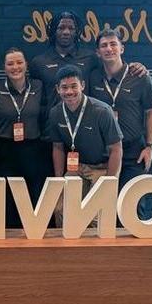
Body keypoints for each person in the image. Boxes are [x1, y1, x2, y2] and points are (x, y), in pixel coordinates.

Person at [89, 26, 152, 217]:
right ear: (98, 52)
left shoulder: (140, 77)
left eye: (113, 44)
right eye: (104, 45)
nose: (109, 49)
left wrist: (150, 147)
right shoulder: (93, 78)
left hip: (132, 154)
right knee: (103, 211)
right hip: (102, 155)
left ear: (122, 48)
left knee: (132, 207)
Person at [30, 11, 147, 108]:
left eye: (71, 28)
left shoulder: (91, 58)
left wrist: (136, 66)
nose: (66, 32)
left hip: (85, 127)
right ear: (53, 31)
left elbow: (112, 69)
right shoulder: (39, 62)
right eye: (61, 28)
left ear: (77, 32)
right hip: (51, 128)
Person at [45, 64, 122, 207]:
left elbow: (116, 149)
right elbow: (57, 147)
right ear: (57, 89)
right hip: (76, 168)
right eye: (64, 87)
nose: (69, 91)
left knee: (96, 215)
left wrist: (109, 182)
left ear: (82, 85)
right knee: (61, 209)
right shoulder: (55, 113)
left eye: (74, 86)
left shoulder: (102, 111)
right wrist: (59, 180)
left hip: (101, 168)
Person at [0, 48, 46, 226]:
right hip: (4, 150)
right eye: (10, 63)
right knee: (6, 197)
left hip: (32, 149)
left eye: (19, 62)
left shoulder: (38, 86)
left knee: (31, 195)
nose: (15, 67)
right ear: (4, 68)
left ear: (26, 65)